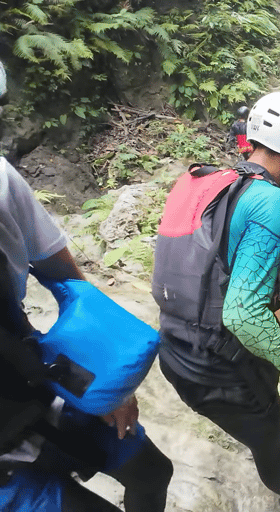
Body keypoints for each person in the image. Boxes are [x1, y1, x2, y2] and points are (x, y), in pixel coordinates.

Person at [154, 91, 280, 512]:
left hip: (179, 346)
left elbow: (205, 262)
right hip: (218, 367)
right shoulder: (270, 200)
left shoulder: (205, 179)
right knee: (263, 444)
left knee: (265, 392)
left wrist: (268, 307)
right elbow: (241, 314)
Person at [0, 59, 172, 512]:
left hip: (29, 374)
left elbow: (63, 279)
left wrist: (106, 381)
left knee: (152, 471)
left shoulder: (1, 183)